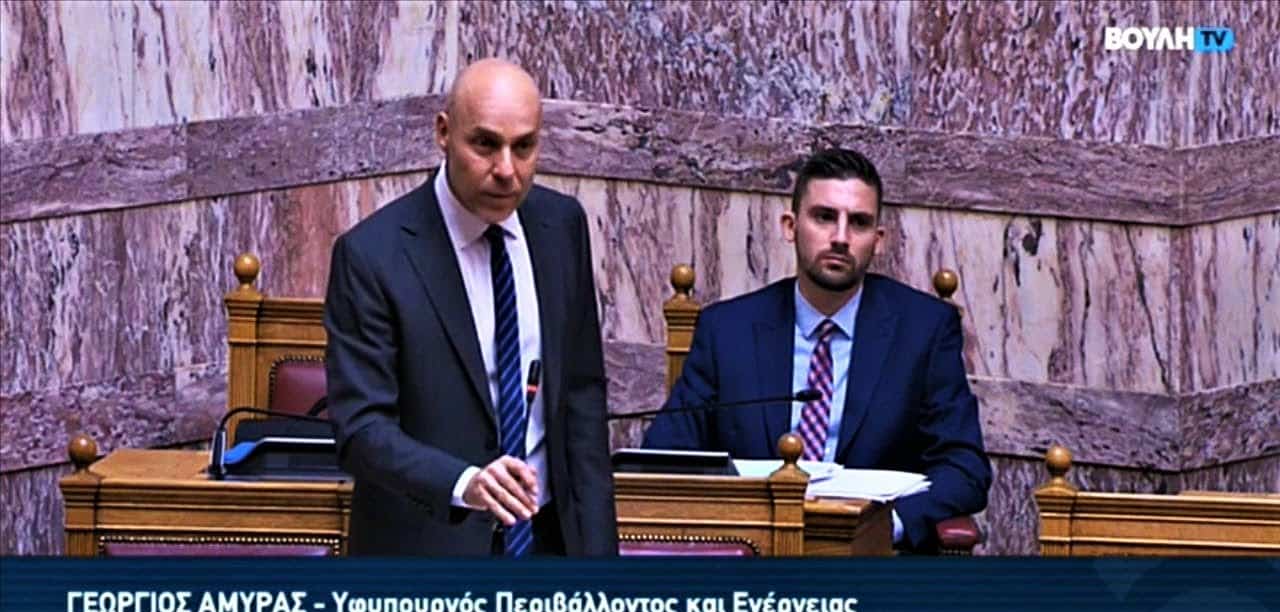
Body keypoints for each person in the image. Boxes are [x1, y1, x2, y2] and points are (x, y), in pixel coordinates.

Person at [324, 59, 616, 557]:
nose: (506, 170)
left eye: (524, 147)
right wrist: (464, 483)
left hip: (549, 543)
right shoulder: (372, 256)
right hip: (429, 552)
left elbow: (582, 399)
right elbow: (361, 431)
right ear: (443, 132)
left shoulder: (561, 226)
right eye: (484, 144)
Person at [643, 147, 991, 552]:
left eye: (858, 223)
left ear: (878, 240)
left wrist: (884, 526)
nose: (840, 238)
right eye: (824, 217)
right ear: (791, 226)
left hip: (874, 564)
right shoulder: (727, 330)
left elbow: (965, 468)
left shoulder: (924, 331)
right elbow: (663, 459)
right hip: (749, 558)